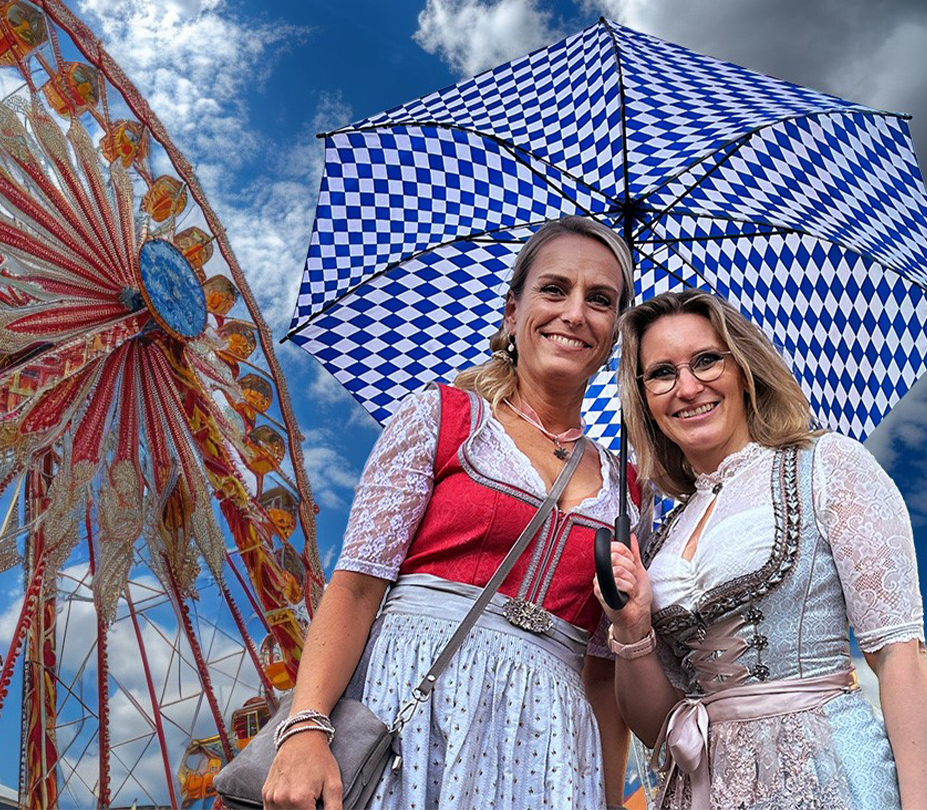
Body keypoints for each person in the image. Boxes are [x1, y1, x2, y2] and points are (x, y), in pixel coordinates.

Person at [262, 217, 647, 810]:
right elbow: (358, 587)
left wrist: (608, 800)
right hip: (413, 706)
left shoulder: (629, 494)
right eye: (554, 289)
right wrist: (306, 727)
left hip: (550, 747)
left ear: (615, 333)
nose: (575, 313)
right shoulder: (440, 418)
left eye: (600, 300)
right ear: (513, 312)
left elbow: (602, 673)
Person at [597, 289, 927, 810]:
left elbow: (898, 656)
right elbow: (658, 724)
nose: (687, 387)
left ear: (744, 367)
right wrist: (633, 629)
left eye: (706, 360)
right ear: (643, 398)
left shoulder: (826, 464)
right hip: (704, 789)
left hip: (827, 774)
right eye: (661, 372)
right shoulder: (663, 536)